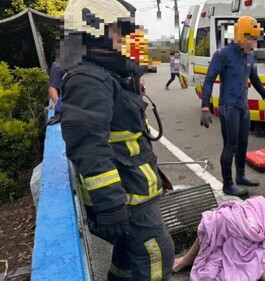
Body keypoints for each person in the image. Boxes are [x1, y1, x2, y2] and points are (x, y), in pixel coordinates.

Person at [59, 0, 174, 280]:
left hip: (131, 189)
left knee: (127, 257)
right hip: (126, 198)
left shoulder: (108, 73)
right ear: (95, 31)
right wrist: (110, 204)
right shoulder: (89, 80)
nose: (128, 37)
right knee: (157, 254)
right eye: (120, 29)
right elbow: (89, 147)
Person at [200, 16, 265, 197]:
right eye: (250, 38)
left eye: (255, 39)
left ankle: (240, 176)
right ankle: (228, 184)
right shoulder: (223, 54)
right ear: (240, 36)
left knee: (243, 144)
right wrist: (204, 107)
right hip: (229, 107)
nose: (253, 43)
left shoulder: (249, 55)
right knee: (230, 146)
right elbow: (209, 80)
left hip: (243, 107)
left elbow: (254, 78)